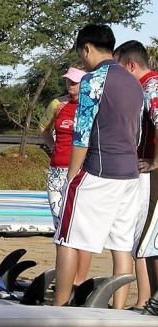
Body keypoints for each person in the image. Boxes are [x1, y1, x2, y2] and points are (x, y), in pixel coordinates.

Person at [52, 24, 144, 308]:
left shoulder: (94, 80)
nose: (82, 60)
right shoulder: (133, 82)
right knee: (121, 245)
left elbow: (81, 136)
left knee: (67, 237)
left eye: (81, 54)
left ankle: (59, 306)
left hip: (99, 171)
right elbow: (138, 131)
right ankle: (118, 309)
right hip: (130, 175)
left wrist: (71, 176)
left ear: (87, 48)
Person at [114, 40, 158, 310]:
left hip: (152, 173)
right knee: (144, 237)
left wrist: (155, 160)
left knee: (149, 237)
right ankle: (148, 300)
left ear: (131, 65)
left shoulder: (152, 86)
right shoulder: (146, 86)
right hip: (145, 169)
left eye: (120, 69)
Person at [39, 66, 92, 286]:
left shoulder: (92, 106)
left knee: (81, 228)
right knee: (60, 228)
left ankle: (78, 281)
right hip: (57, 172)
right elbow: (42, 128)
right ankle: (64, 278)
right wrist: (54, 147)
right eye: (68, 80)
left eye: (75, 81)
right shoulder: (57, 104)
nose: (71, 84)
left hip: (82, 173)